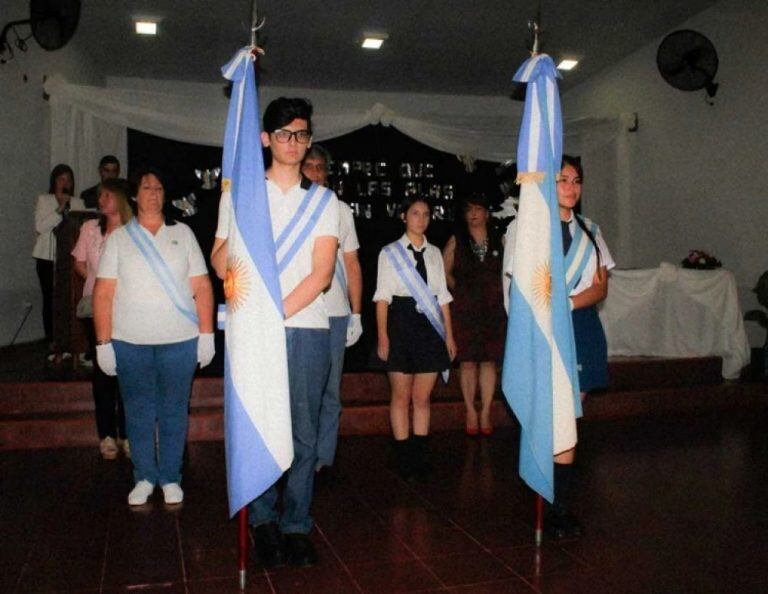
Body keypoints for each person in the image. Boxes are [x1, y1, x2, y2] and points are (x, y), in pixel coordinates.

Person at [211, 98, 339, 568]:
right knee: (259, 424)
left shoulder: (325, 201)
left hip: (305, 327)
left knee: (304, 434)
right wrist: (243, 274)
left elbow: (322, 274)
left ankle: (296, 524)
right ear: (265, 138)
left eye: (302, 135)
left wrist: (273, 313)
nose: (293, 143)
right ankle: (262, 520)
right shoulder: (241, 193)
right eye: (284, 134)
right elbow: (219, 257)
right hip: (254, 334)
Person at [503, 154, 615, 539]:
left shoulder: (591, 230)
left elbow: (600, 287)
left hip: (579, 326)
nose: (570, 187)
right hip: (541, 328)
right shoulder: (528, 228)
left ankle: (560, 506)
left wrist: (566, 304)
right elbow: (517, 287)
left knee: (568, 416)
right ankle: (543, 493)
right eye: (562, 179)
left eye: (576, 180)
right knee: (547, 414)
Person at [93, 166, 215, 506]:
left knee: (175, 410)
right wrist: (103, 343)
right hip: (130, 341)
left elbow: (202, 285)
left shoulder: (184, 234)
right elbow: (103, 294)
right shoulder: (119, 238)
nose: (153, 192)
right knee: (138, 411)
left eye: (159, 187)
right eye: (146, 187)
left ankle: (171, 477)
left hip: (179, 340)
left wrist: (207, 334)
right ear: (134, 194)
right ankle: (144, 476)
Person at [374, 196, 457, 481]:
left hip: (429, 327)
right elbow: (382, 298)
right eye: (415, 213)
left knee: (422, 397)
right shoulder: (389, 253)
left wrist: (449, 335)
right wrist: (383, 336)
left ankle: (419, 455)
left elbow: (443, 296)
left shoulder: (434, 253)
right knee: (401, 395)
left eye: (426, 214)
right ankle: (402, 455)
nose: (421, 219)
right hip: (400, 323)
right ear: (403, 216)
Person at [301, 145, 363, 481]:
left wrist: (356, 313)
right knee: (300, 391)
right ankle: (300, 455)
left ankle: (323, 457)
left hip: (336, 312)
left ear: (327, 172)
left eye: (319, 167)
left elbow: (351, 262)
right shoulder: (289, 206)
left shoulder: (341, 210)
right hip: (299, 312)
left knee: (329, 391)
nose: (313, 172)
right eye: (307, 166)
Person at [71, 178, 133, 460]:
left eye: (107, 195)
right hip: (96, 307)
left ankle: (128, 434)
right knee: (103, 371)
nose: (102, 200)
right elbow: (79, 263)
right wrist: (98, 284)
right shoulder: (89, 228)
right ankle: (106, 435)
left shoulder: (134, 230)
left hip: (128, 307)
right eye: (100, 195)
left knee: (128, 372)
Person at [443, 190, 506, 436]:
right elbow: (444, 271)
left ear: (487, 214)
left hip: (493, 309)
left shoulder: (499, 239)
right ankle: (470, 410)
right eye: (469, 210)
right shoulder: (456, 240)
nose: (474, 214)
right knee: (467, 361)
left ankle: (487, 411)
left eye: (479, 209)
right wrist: (459, 290)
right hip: (465, 310)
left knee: (489, 361)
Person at [33, 164, 85, 358]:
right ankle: (52, 340)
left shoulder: (78, 202)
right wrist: (60, 208)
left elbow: (81, 227)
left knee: (70, 298)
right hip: (47, 257)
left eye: (69, 179)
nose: (65, 182)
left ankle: (71, 340)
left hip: (70, 259)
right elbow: (40, 226)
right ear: (54, 180)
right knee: (50, 298)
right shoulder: (44, 200)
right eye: (61, 178)